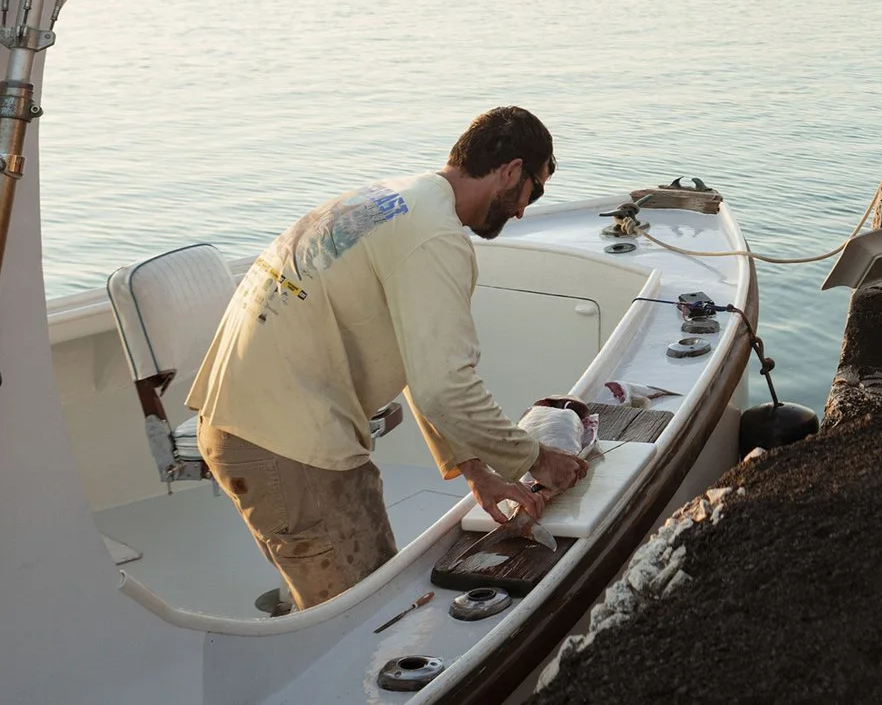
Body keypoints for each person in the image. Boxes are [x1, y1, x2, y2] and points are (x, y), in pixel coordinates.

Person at [188, 107, 587, 608]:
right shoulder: (437, 236)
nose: (525, 210)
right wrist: (536, 458)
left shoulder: (395, 201)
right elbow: (446, 388)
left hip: (243, 426)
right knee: (361, 620)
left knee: (346, 606)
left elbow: (418, 365)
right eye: (536, 189)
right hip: (293, 450)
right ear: (511, 170)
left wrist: (474, 469)